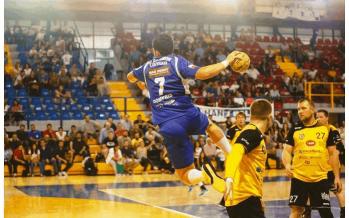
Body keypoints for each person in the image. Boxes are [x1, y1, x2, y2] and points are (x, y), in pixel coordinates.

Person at [127, 33, 241, 191]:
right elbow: (203, 73)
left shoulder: (146, 67)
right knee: (211, 127)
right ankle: (232, 154)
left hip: (169, 124)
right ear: (171, 49)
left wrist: (143, 81)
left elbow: (129, 77)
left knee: (185, 175)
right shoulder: (176, 61)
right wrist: (226, 61)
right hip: (187, 112)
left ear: (156, 51)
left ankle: (205, 175)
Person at [282, 99, 342, 218]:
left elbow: (333, 154)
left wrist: (336, 177)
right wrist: (287, 165)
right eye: (298, 109)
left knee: (325, 212)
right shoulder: (294, 129)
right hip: (299, 177)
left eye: (303, 108)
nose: (300, 111)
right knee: (296, 211)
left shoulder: (326, 129)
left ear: (312, 109)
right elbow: (286, 151)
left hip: (320, 178)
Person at [223, 99, 273, 218]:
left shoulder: (249, 131)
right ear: (269, 117)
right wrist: (229, 178)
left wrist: (258, 196)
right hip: (245, 199)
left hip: (245, 198)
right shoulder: (252, 132)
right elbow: (235, 152)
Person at [313, 109, 345, 218]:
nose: (318, 119)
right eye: (317, 117)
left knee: (337, 190)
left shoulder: (332, 130)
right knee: (322, 194)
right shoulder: (315, 129)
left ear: (327, 118)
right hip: (319, 168)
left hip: (331, 167)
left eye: (321, 116)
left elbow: (338, 149)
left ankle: (344, 212)